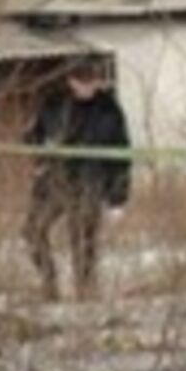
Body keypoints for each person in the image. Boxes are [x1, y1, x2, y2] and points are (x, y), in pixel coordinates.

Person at [24, 58, 131, 300]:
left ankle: (85, 292)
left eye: (92, 81)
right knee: (32, 231)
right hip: (53, 180)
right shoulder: (53, 105)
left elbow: (121, 154)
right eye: (81, 81)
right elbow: (33, 137)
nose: (88, 87)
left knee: (83, 239)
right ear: (70, 81)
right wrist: (40, 152)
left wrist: (118, 197)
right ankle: (49, 284)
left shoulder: (109, 110)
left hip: (90, 181)